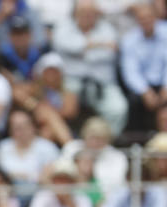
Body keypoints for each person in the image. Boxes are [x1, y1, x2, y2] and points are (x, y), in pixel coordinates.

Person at [51, 0, 127, 135]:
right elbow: (65, 45)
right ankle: (71, 143)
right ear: (75, 13)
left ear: (96, 14)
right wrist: (99, 45)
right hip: (71, 81)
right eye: (83, 12)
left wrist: (82, 50)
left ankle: (106, 142)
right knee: (65, 109)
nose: (87, 16)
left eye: (91, 13)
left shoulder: (107, 28)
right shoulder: (64, 27)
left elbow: (110, 53)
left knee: (118, 108)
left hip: (102, 82)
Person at [119, 2, 167, 132]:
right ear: (136, 20)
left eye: (148, 17)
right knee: (134, 101)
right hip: (144, 86)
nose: (146, 21)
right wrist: (144, 91)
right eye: (142, 18)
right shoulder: (129, 39)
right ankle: (139, 140)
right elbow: (130, 72)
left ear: (156, 17)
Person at [24, 160, 93, 207]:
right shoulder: (43, 196)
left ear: (72, 182)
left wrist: (71, 205)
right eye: (59, 179)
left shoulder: (82, 198)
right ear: (53, 181)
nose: (62, 184)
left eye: (66, 179)